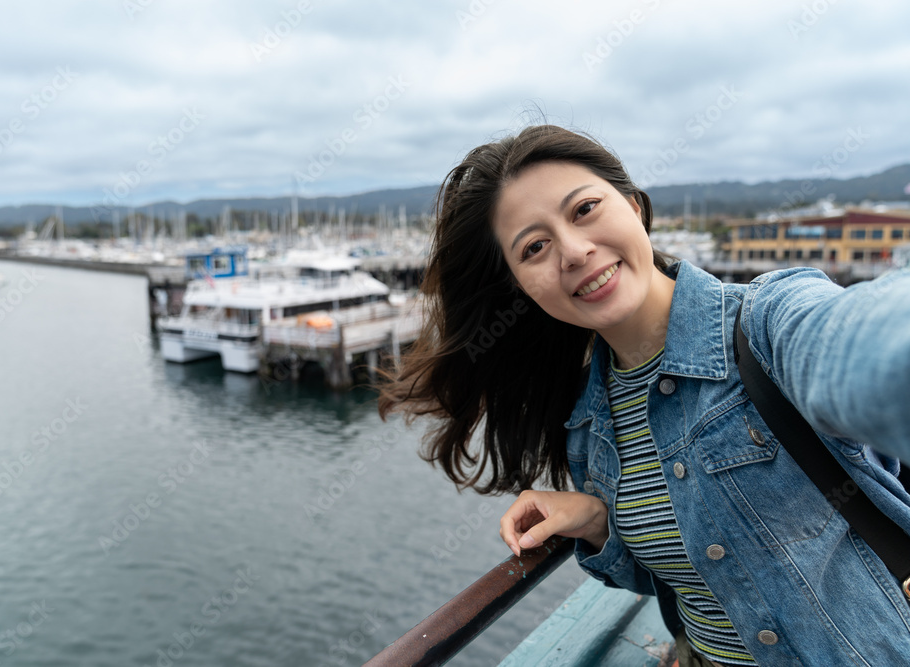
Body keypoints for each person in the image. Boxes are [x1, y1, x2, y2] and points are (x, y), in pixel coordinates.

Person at [378, 124, 910, 666]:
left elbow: (863, 346)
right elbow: (690, 572)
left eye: (584, 209)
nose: (575, 250)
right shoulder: (590, 420)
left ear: (634, 207)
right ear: (520, 285)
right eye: (534, 247)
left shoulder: (768, 324)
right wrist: (599, 522)